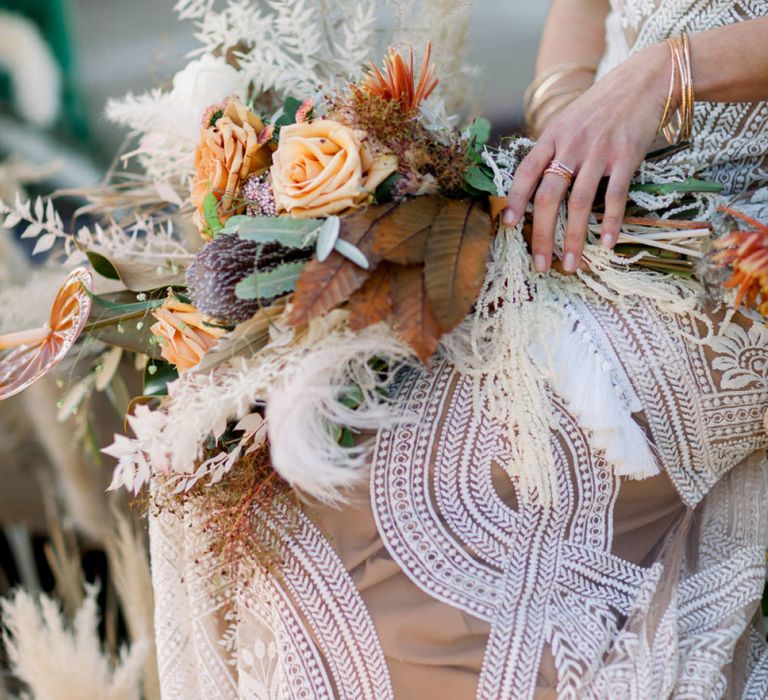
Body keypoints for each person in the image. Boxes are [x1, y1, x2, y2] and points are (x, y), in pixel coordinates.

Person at [150, 1, 768, 697]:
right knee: (265, 443)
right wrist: (566, 136)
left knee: (417, 494)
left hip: (747, 245)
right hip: (614, 194)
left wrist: (667, 73)